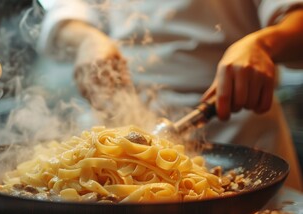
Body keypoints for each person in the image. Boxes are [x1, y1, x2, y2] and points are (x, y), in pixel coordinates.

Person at [36, 0, 303, 191]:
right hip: (121, 123)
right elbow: (65, 15)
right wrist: (87, 39)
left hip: (237, 133)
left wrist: (263, 44)